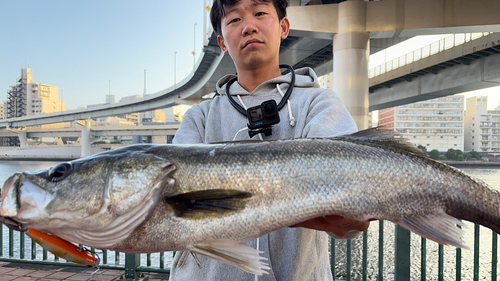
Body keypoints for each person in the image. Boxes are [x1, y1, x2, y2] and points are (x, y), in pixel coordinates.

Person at [169, 0, 369, 280]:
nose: (249, 27)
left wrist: (348, 214)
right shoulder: (199, 117)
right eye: (234, 20)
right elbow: (175, 203)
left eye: (260, 13)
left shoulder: (319, 103)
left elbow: (351, 212)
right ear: (222, 43)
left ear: (284, 26)